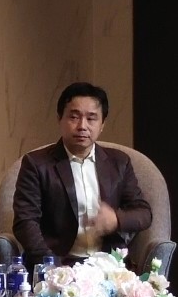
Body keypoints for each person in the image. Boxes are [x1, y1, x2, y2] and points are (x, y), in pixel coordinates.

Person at [12, 82, 151, 266]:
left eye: (91, 118)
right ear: (60, 119)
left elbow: (143, 213)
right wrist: (51, 265)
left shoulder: (119, 162)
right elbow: (25, 222)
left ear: (102, 124)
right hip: (59, 264)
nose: (82, 126)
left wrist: (116, 220)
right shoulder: (36, 164)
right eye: (74, 117)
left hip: (108, 266)